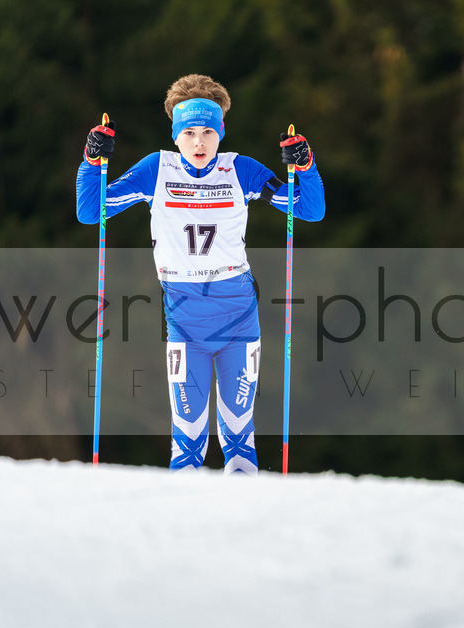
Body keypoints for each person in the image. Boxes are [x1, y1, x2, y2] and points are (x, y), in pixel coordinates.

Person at [76, 74, 325, 474]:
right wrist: (92, 160)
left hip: (238, 319)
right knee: (188, 443)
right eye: (189, 132)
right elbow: (91, 212)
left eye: (208, 132)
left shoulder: (240, 170)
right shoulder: (156, 169)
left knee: (240, 440)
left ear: (221, 133)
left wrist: (305, 166)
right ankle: (182, 533)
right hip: (185, 323)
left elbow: (308, 209)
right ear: (175, 135)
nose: (199, 142)